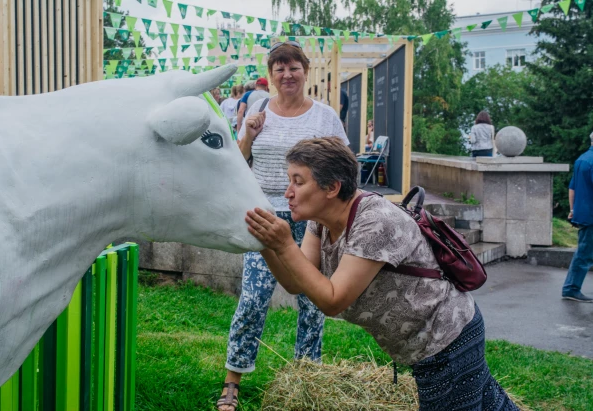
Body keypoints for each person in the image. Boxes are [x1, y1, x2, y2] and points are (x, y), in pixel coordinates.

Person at [245, 137, 520, 411]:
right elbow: (296, 282)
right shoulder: (321, 222)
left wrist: (283, 244)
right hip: (428, 345)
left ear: (332, 187)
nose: (287, 192)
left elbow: (332, 300)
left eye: (298, 181)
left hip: (447, 338)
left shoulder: (376, 222)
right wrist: (266, 244)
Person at [217, 41, 349, 411]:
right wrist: (249, 133)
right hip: (265, 218)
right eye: (279, 68)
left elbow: (345, 167)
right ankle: (232, 380)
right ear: (271, 75)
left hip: (311, 221)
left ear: (305, 71)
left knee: (312, 302)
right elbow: (237, 161)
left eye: (293, 67)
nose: (287, 75)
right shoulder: (258, 111)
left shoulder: (324, 118)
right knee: (253, 299)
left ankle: (309, 379)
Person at [562, 131, 593, 303]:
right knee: (584, 253)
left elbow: (572, 187)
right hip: (591, 215)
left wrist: (573, 209)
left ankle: (571, 288)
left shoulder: (582, 159)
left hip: (583, 212)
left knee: (585, 251)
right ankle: (571, 289)